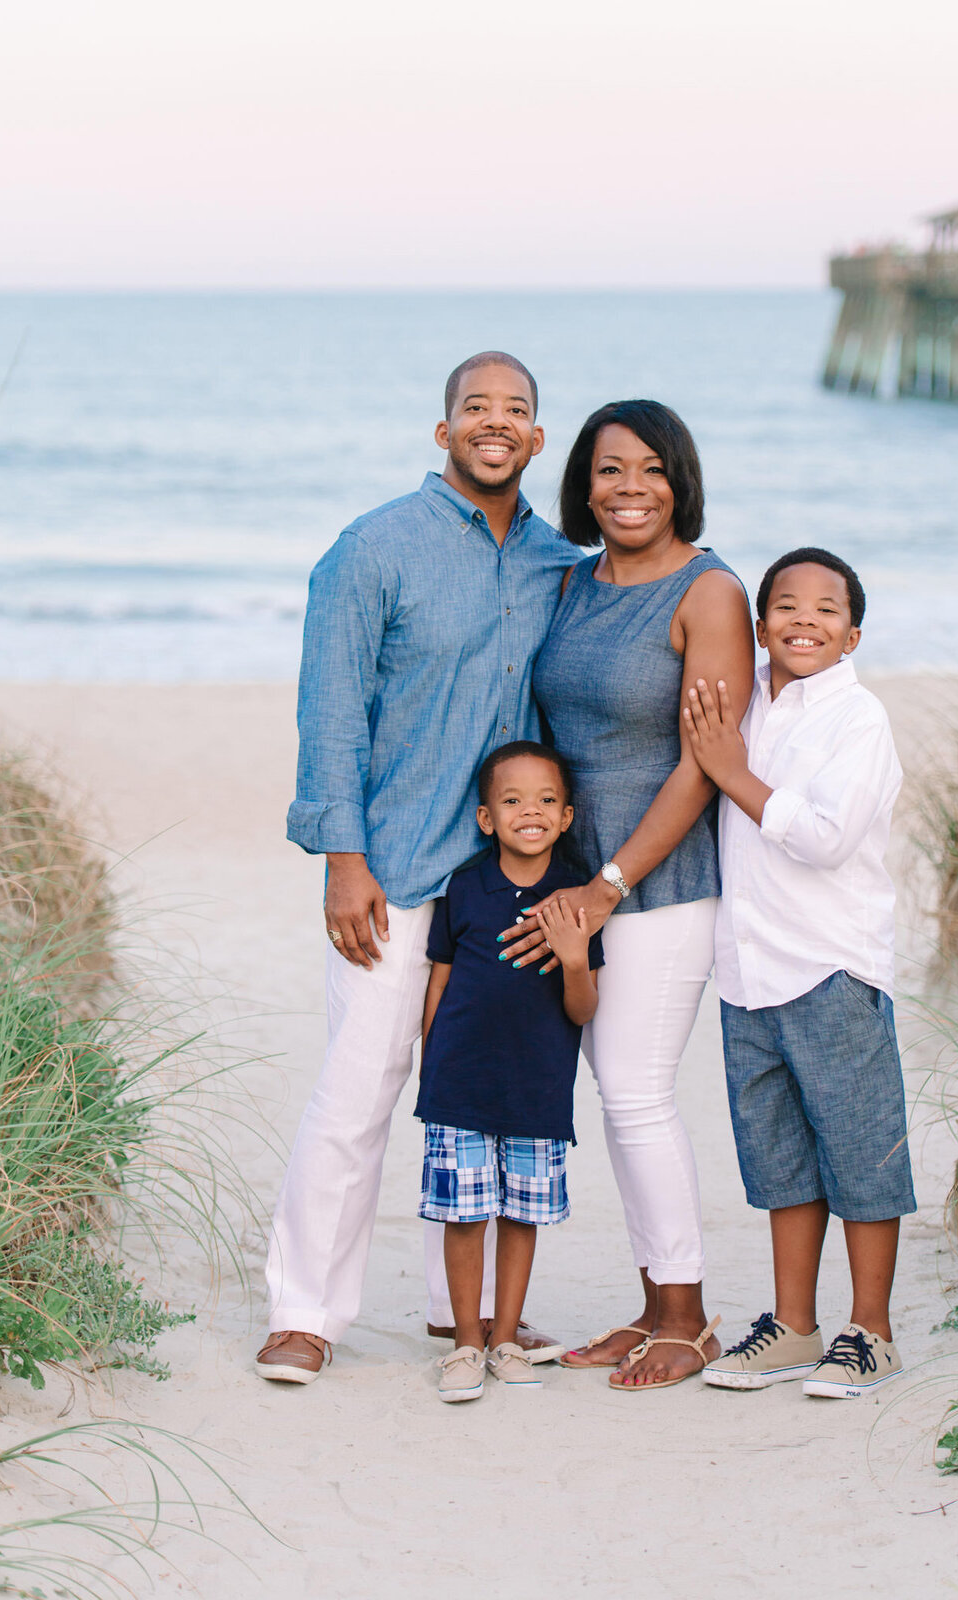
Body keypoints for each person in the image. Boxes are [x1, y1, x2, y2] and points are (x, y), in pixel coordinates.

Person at [255, 354, 573, 1385]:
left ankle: (462, 1314)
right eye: (475, 407)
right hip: (393, 872)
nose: (495, 422)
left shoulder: (556, 563)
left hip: (502, 885)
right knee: (358, 1093)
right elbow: (332, 712)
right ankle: (305, 1311)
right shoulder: (371, 549)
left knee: (479, 1098)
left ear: (536, 439)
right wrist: (343, 860)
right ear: (444, 433)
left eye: (515, 411)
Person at [503, 399, 754, 1390]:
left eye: (651, 468)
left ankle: (687, 1319)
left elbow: (704, 764)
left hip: (660, 882)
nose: (630, 487)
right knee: (618, 1095)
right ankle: (657, 1305)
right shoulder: (573, 584)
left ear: (680, 477)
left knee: (638, 1090)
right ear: (584, 484)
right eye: (610, 470)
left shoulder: (710, 592)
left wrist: (610, 883)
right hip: (580, 884)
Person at [682, 546, 916, 1399]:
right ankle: (792, 1326)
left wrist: (732, 774)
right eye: (786, 605)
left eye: (826, 610)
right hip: (747, 970)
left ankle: (872, 1333)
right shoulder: (746, 705)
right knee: (780, 1160)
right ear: (758, 625)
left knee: (860, 1154)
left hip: (831, 965)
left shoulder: (858, 720)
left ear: (852, 636)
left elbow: (824, 837)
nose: (804, 621)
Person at [416, 742, 602, 1402]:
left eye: (547, 801)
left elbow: (582, 1010)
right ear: (487, 818)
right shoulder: (466, 887)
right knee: (464, 1216)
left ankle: (503, 1340)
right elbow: (439, 982)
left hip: (539, 1086)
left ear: (568, 815)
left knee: (519, 1216)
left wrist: (574, 957)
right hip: (458, 1082)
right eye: (513, 800)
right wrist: (428, 1065)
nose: (532, 811)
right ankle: (466, 1343)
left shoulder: (577, 895)